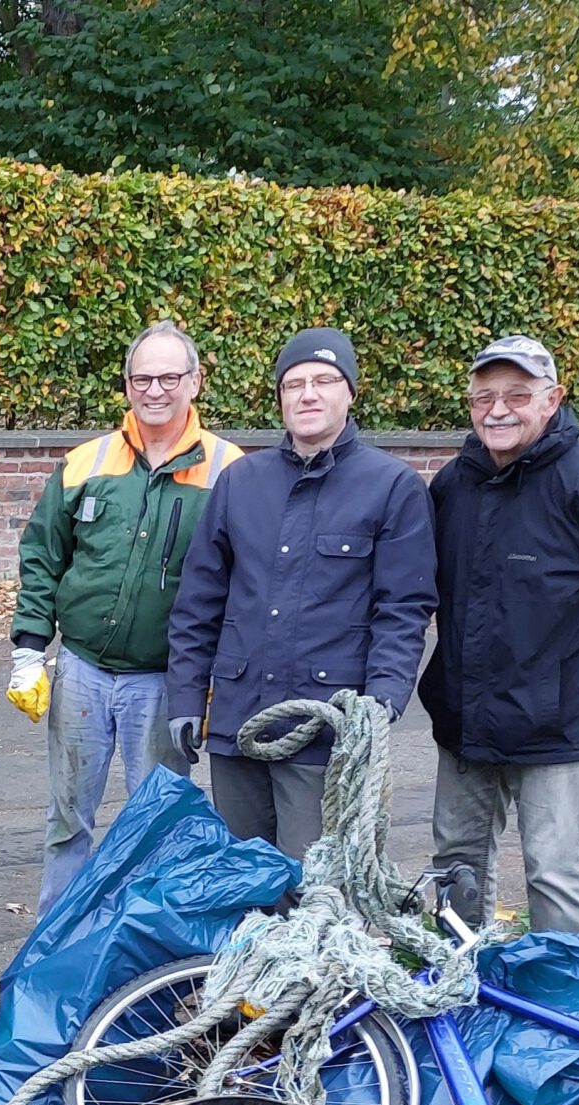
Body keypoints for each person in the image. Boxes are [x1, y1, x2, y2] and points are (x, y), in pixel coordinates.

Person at [419, 335, 579, 935]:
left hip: (561, 722)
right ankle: (459, 995)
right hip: (467, 715)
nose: (498, 410)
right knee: (455, 867)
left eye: (517, 395)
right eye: (484, 397)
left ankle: (565, 1011)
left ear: (553, 399)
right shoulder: (454, 486)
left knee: (555, 872)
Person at [166, 327, 436, 862]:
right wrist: (185, 698)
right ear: (281, 399)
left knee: (311, 880)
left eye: (323, 381)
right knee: (241, 874)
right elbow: (198, 601)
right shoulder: (241, 481)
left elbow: (402, 610)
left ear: (349, 393)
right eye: (294, 385)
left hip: (324, 727)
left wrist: (380, 702)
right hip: (238, 719)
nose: (308, 394)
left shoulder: (392, 487)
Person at [10, 320, 243, 910]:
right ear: (127, 385)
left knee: (158, 824)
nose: (155, 390)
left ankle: (148, 952)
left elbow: (246, 581)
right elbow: (43, 554)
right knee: (68, 819)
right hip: (82, 670)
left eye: (170, 377)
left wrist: (221, 677)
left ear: (195, 382)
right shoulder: (87, 462)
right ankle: (55, 935)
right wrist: (29, 648)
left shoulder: (231, 471)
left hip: (166, 680)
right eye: (143, 378)